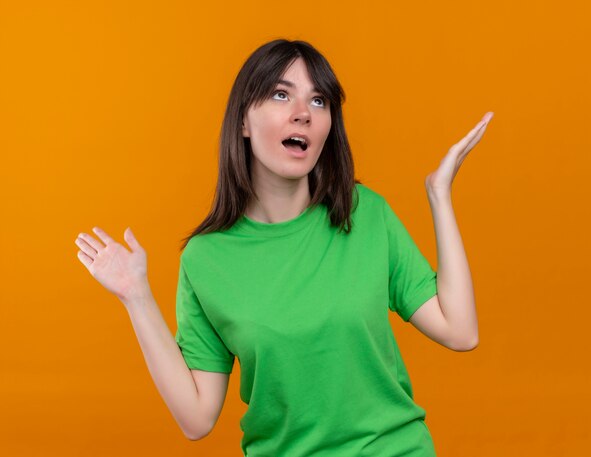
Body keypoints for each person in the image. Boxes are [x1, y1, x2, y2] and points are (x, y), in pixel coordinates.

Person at [75, 38, 493, 456]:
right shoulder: (206, 259)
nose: (303, 114)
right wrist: (137, 297)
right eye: (281, 94)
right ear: (243, 121)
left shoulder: (364, 214)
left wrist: (440, 196)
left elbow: (460, 331)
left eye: (318, 101)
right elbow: (196, 418)